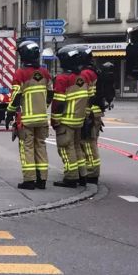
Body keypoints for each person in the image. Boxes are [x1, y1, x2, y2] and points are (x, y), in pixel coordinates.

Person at [6, 41, 53, 190]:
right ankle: (42, 179)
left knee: (27, 148)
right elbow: (51, 93)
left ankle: (29, 180)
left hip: (27, 119)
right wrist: (44, 107)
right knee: (41, 147)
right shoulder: (45, 73)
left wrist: (10, 112)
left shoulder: (21, 73)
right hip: (42, 118)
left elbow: (15, 96)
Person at [51, 45, 91, 188]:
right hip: (78, 121)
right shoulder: (82, 78)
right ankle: (82, 175)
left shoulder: (62, 79)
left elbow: (58, 103)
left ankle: (70, 178)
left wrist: (55, 119)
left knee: (66, 150)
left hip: (66, 121)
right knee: (76, 148)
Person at [80, 49, 103, 185]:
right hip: (95, 112)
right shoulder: (94, 71)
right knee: (91, 143)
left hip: (90, 113)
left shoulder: (85, 73)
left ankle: (92, 172)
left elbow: (83, 97)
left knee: (88, 143)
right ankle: (91, 170)